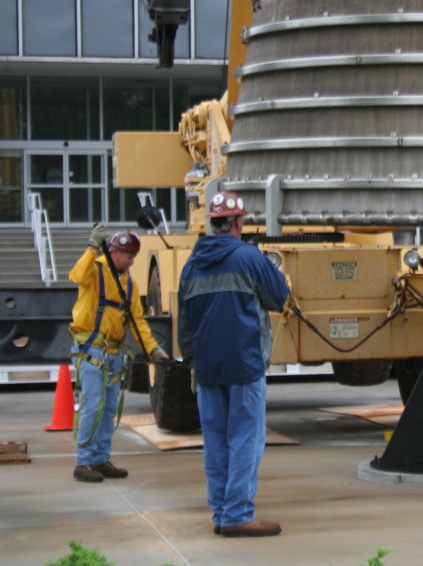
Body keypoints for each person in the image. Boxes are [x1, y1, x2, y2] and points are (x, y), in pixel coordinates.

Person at [178, 190, 289, 537]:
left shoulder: (191, 265)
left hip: (207, 368)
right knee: (245, 439)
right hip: (245, 363)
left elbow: (185, 322)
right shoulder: (249, 257)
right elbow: (279, 297)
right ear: (238, 223)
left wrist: (192, 364)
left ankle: (222, 514)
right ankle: (239, 514)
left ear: (213, 224)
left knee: (215, 441)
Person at [69, 226, 168, 483]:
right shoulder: (95, 270)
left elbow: (137, 321)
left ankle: (101, 458)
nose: (133, 260)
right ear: (114, 252)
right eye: (129, 255)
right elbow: (77, 276)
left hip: (113, 353)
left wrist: (152, 349)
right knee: (93, 405)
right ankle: (84, 462)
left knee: (109, 407)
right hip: (92, 349)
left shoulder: (129, 284)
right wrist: (92, 247)